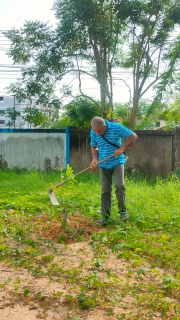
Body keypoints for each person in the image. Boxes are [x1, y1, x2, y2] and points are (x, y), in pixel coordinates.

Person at [90, 117, 137, 224]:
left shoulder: (117, 127)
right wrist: (94, 159)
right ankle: (105, 217)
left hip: (117, 161)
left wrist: (123, 147)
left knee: (119, 185)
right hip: (103, 163)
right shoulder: (93, 132)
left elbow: (133, 136)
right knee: (105, 190)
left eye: (100, 132)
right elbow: (93, 146)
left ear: (105, 127)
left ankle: (123, 213)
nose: (98, 134)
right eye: (96, 132)